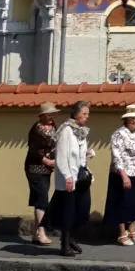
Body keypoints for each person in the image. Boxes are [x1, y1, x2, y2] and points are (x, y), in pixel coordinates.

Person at [45, 100, 94, 257]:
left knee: (82, 209)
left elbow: (78, 154)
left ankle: (71, 238)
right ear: (76, 113)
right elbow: (62, 156)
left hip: (80, 176)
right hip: (68, 178)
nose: (87, 117)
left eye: (88, 114)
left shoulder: (80, 131)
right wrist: (67, 176)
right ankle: (64, 245)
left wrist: (87, 155)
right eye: (84, 113)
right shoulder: (66, 130)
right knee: (68, 211)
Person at [103, 105, 135, 245]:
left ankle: (132, 231)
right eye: (132, 118)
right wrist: (123, 175)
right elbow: (116, 156)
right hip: (122, 173)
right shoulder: (119, 134)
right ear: (126, 119)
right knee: (122, 203)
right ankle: (122, 234)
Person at [24, 102, 59, 245]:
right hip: (35, 168)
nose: (52, 117)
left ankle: (35, 233)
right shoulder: (36, 129)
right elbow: (33, 150)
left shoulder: (54, 127)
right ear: (42, 116)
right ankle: (41, 232)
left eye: (53, 114)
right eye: (49, 114)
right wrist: (46, 161)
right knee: (42, 198)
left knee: (39, 198)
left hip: (47, 169)